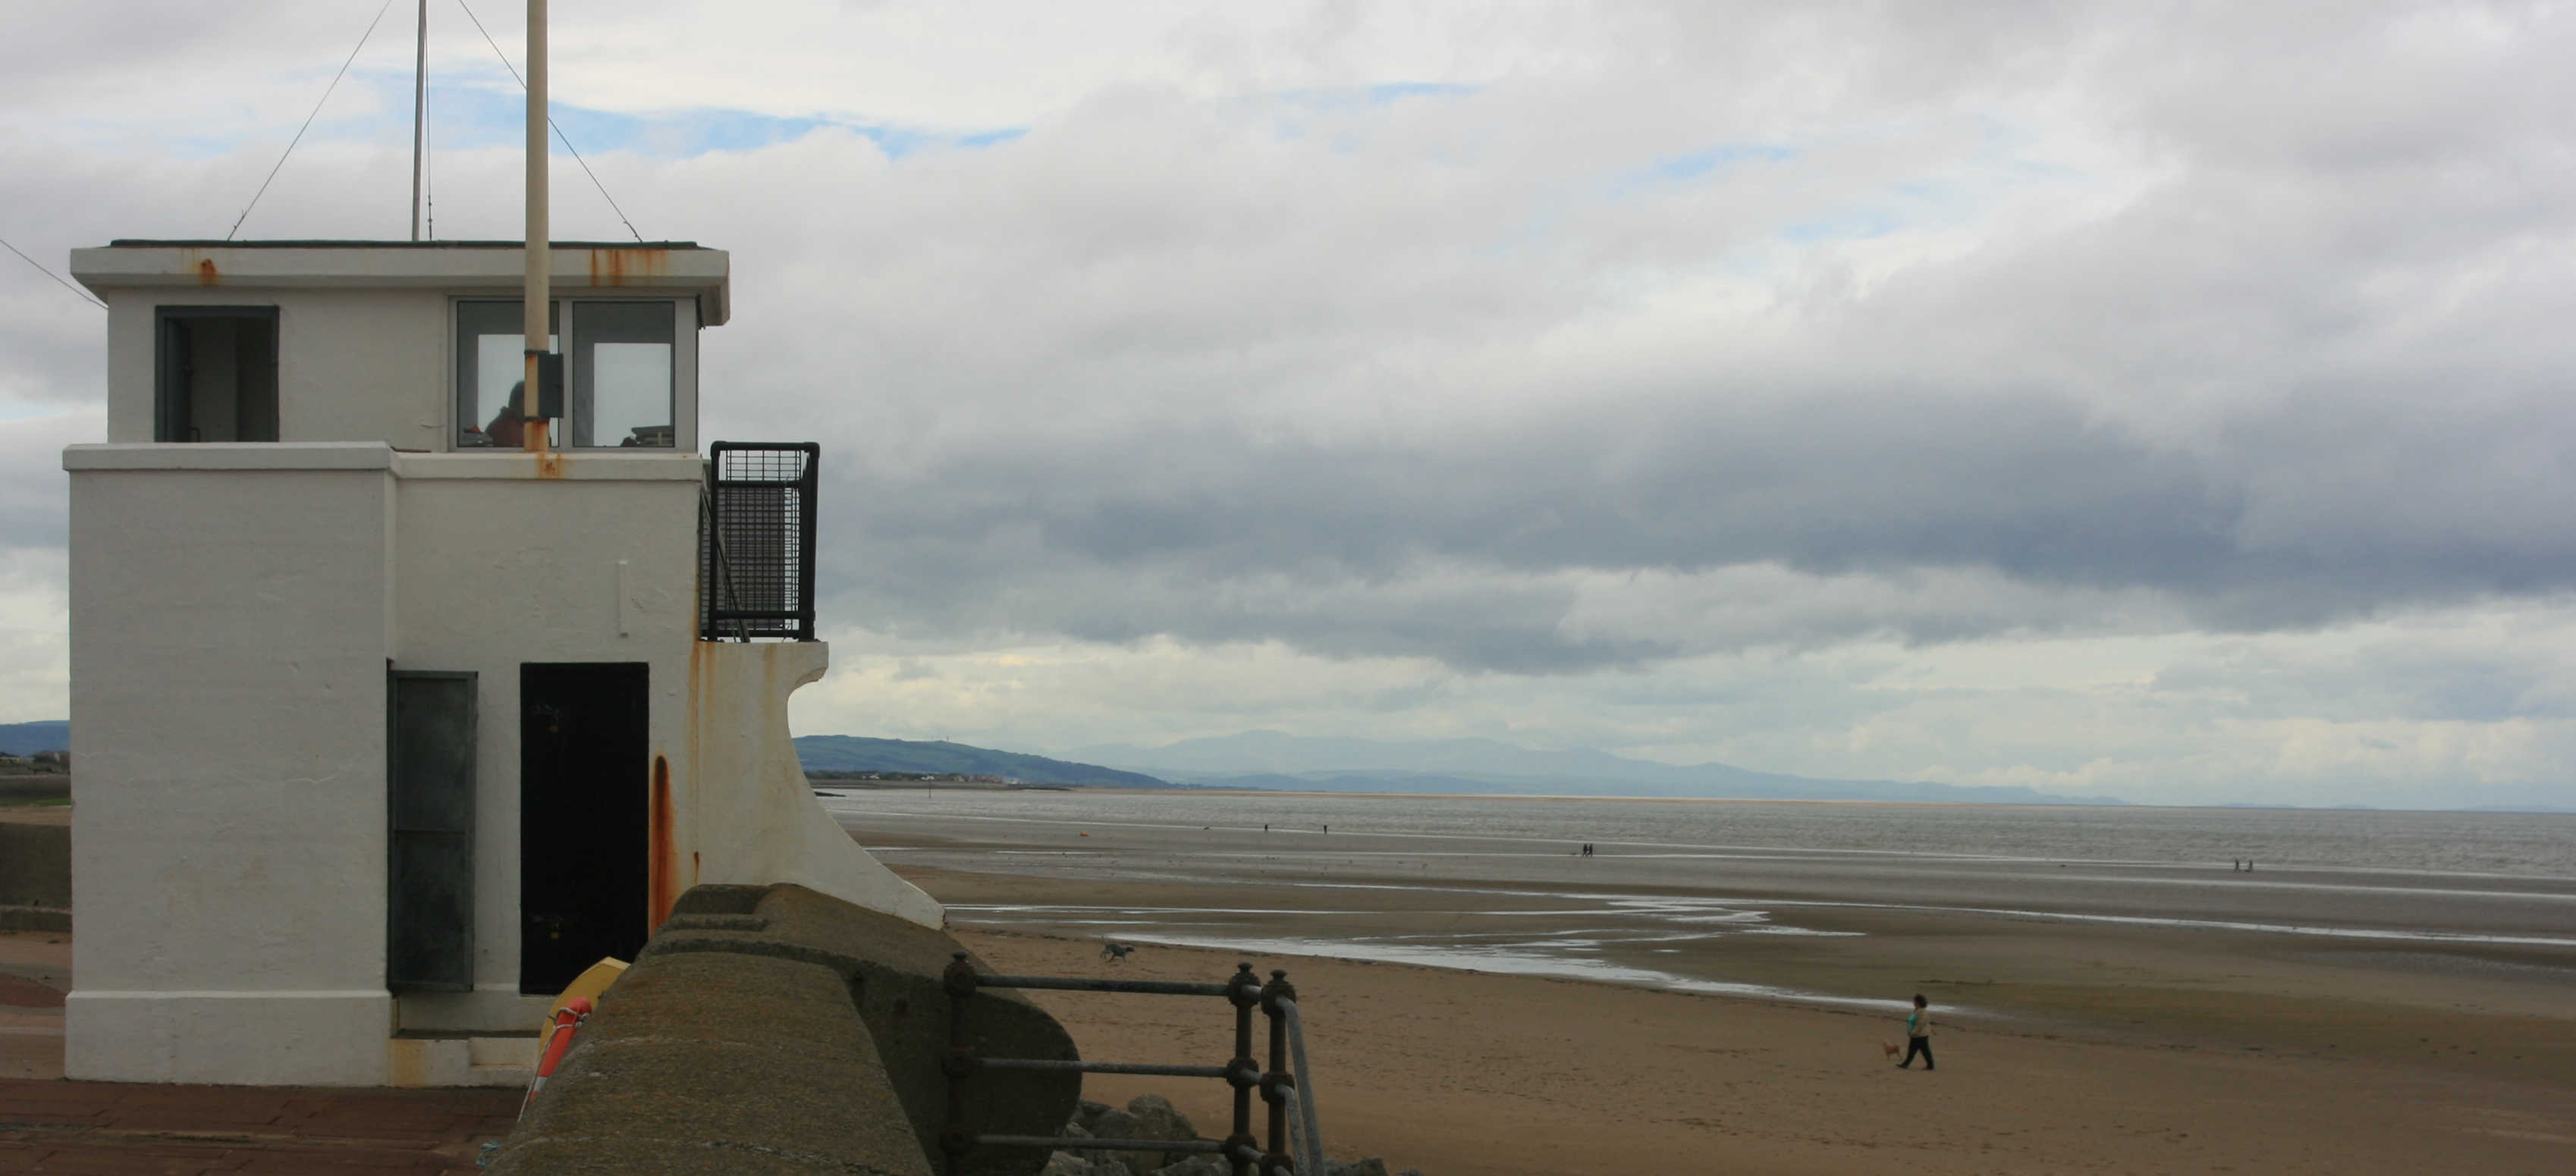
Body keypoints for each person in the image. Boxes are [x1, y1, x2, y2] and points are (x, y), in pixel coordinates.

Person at [1898, 994, 1934, 1070]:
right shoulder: (1918, 1010)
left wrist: (1913, 1032)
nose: (1913, 1003)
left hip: (1920, 1035)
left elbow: (1920, 1023)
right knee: (1916, 1050)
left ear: (1918, 1002)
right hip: (1918, 1034)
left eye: (1914, 1001)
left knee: (1923, 1050)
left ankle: (1930, 1065)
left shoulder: (1922, 1011)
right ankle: (1906, 1064)